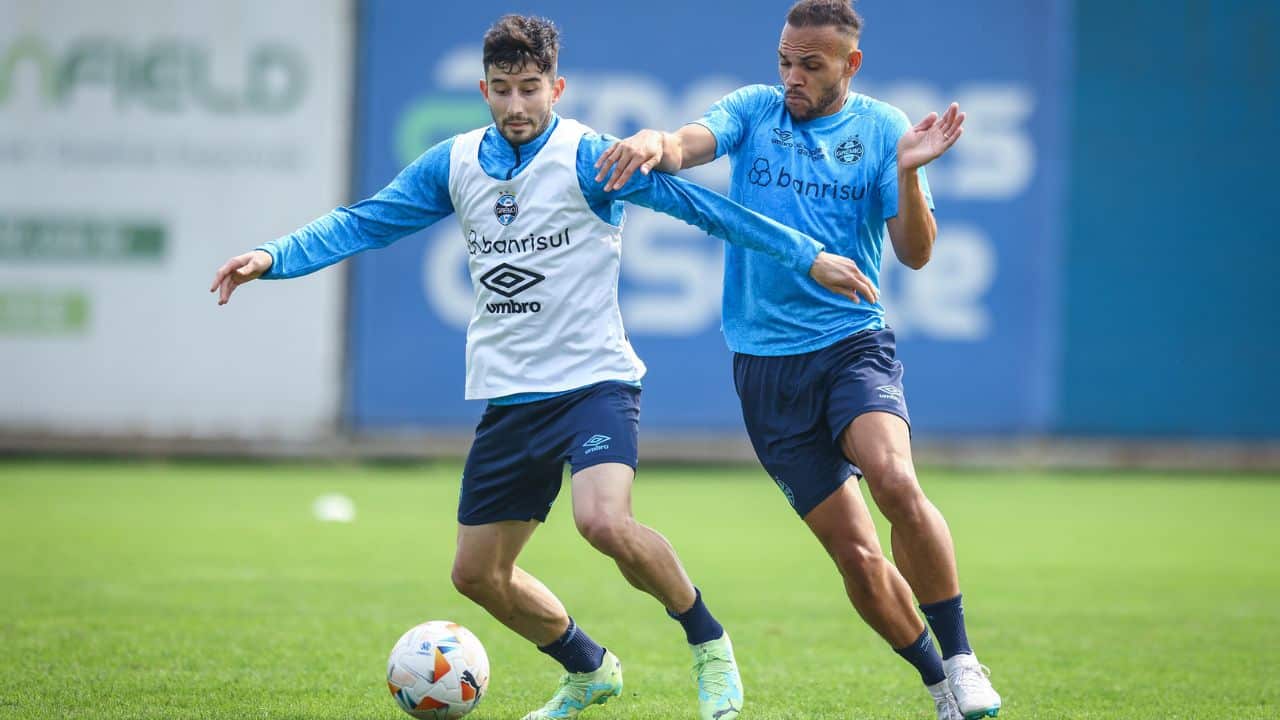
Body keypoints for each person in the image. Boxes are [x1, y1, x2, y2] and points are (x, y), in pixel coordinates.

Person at [210, 14, 876, 720]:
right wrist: (273, 257)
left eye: (531, 88)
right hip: (510, 397)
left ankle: (708, 643)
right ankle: (588, 669)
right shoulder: (455, 162)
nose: (517, 105)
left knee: (604, 523)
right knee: (476, 576)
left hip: (595, 384)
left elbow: (704, 210)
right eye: (502, 90)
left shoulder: (592, 158)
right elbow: (364, 220)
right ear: (484, 90)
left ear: (557, 86)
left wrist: (806, 255)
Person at [593, 1, 1002, 718]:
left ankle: (964, 658)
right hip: (765, 369)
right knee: (857, 557)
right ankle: (939, 686)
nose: (793, 77)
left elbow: (916, 252)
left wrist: (907, 174)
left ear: (851, 63)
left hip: (851, 345)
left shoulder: (881, 128)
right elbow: (692, 142)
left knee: (895, 480)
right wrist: (656, 142)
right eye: (785, 60)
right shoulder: (755, 109)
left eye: (810, 65)